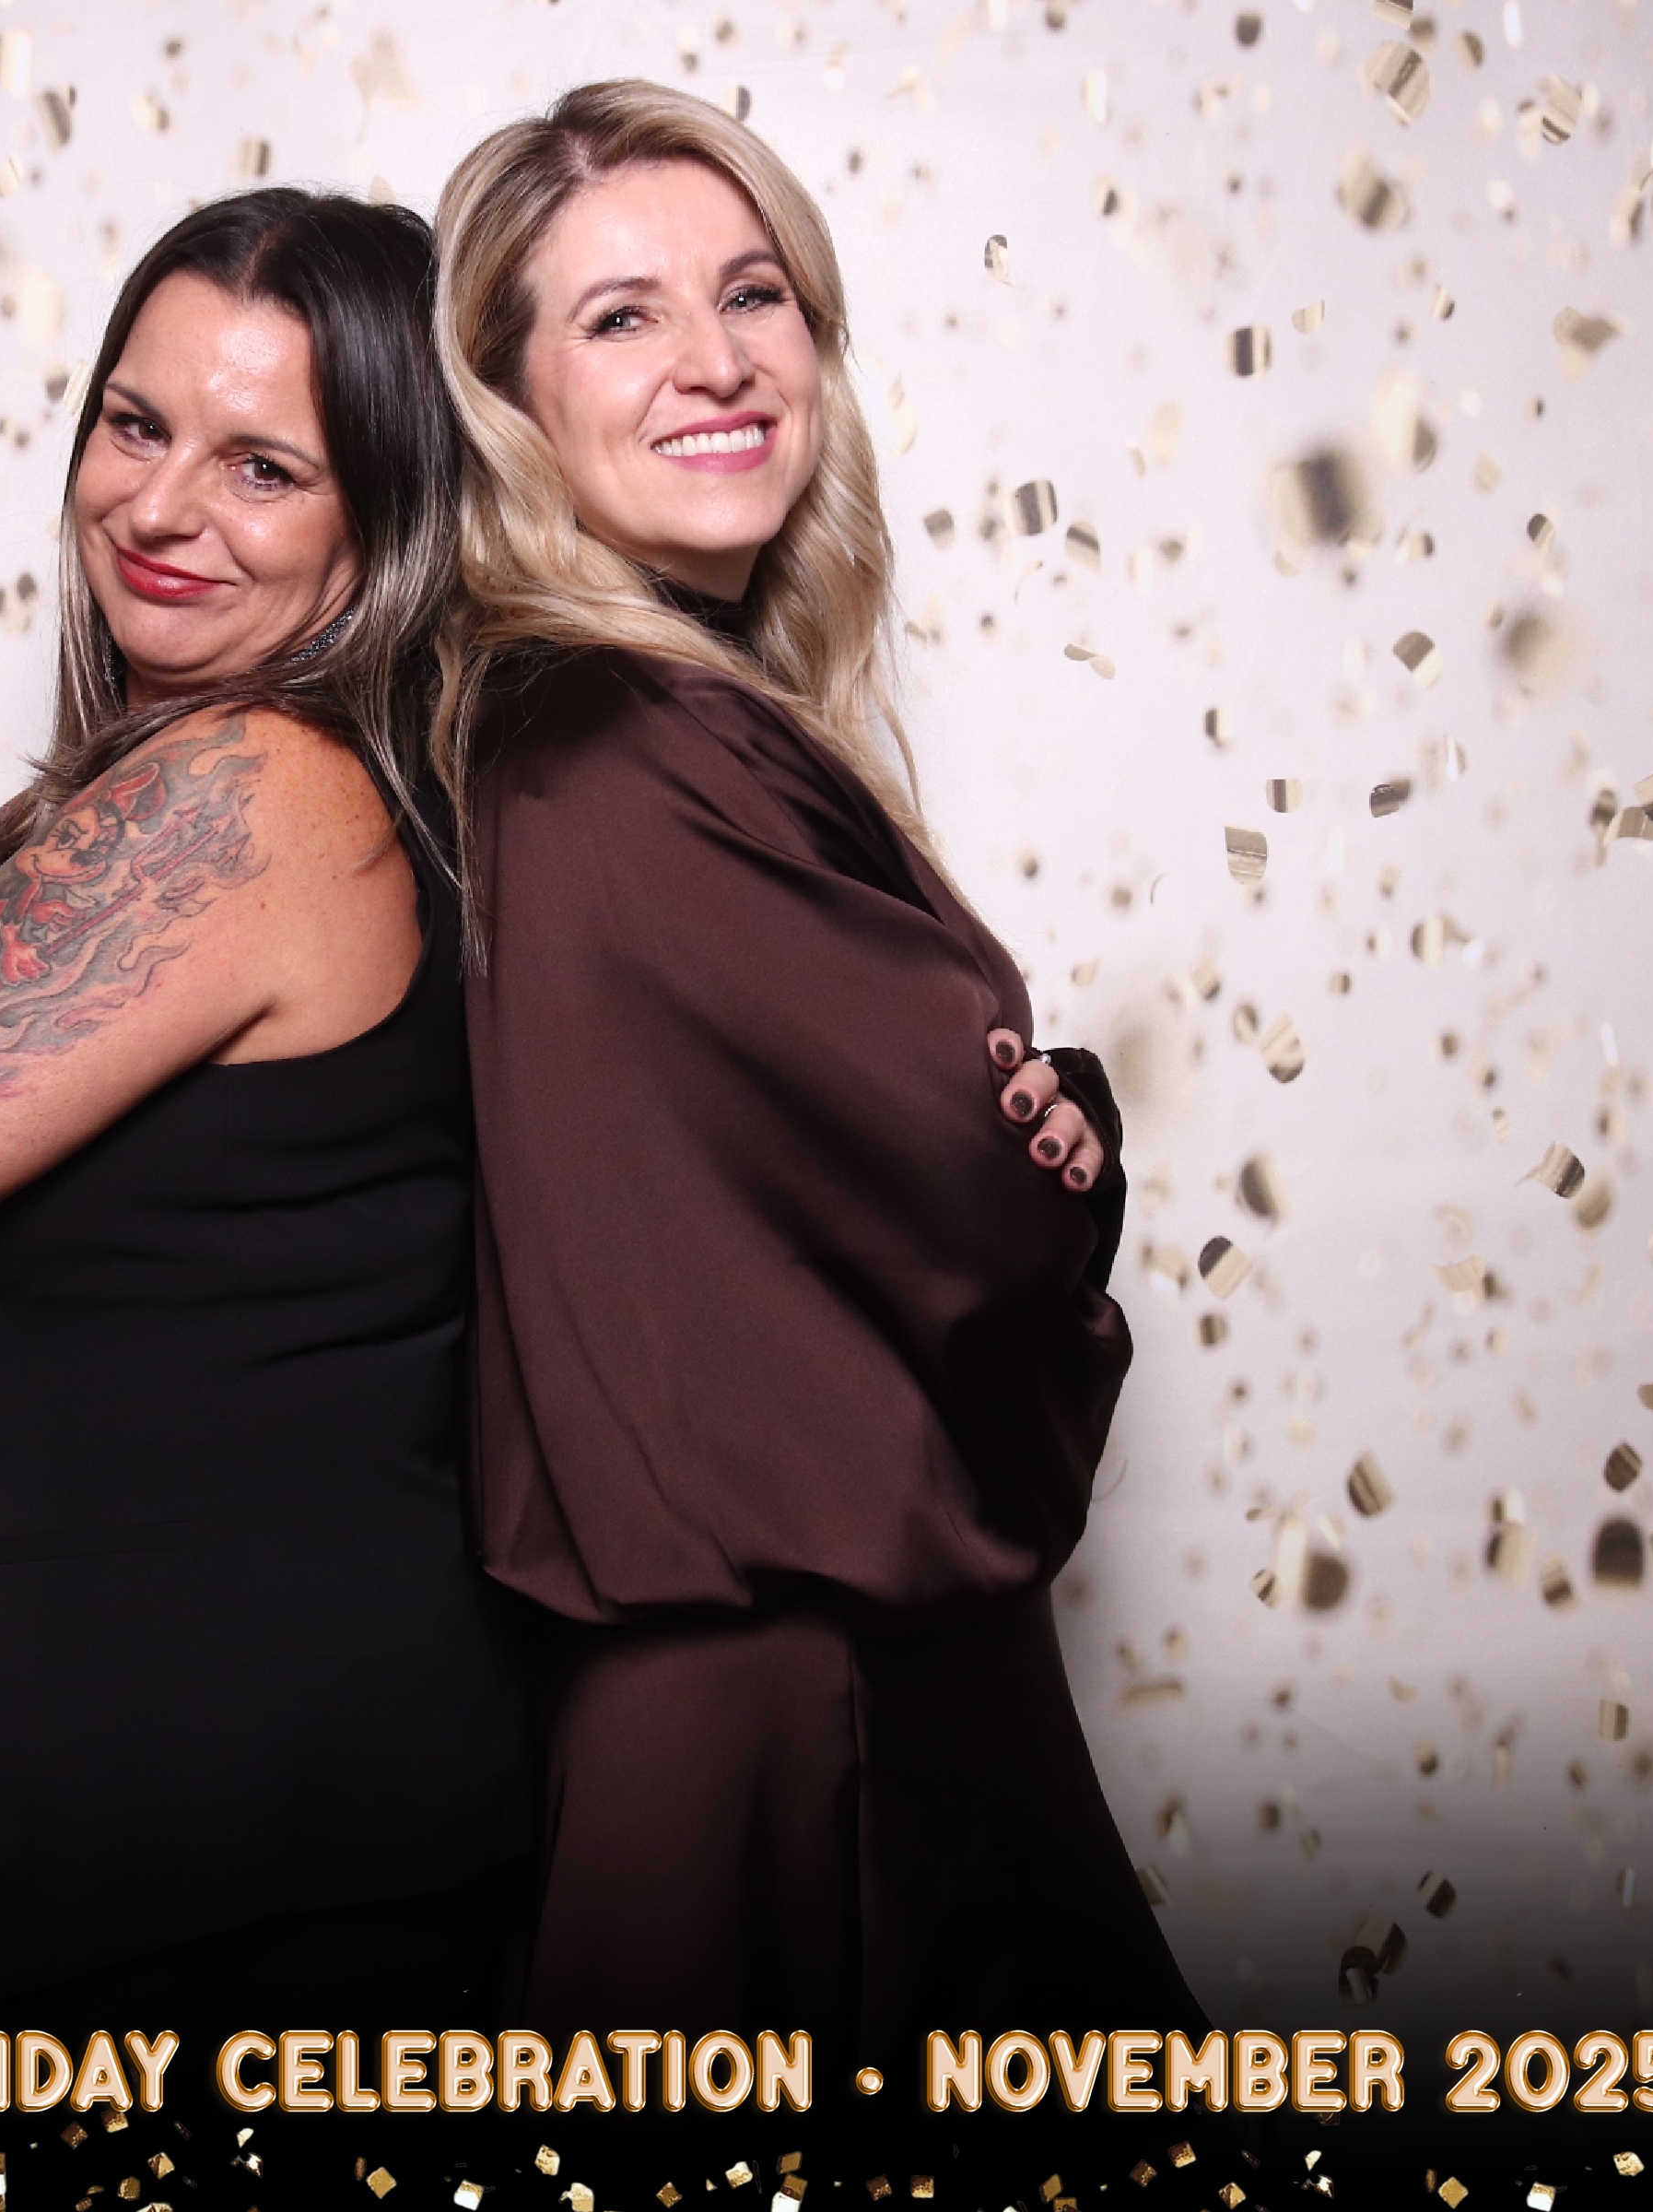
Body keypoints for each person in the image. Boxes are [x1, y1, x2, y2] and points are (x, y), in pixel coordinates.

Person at [0, 189, 534, 2032]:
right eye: (136, 426)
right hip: (146, 1822)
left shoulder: (251, 792)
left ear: (383, 515)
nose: (159, 506)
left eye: (263, 468)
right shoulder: (141, 783)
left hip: (254, 1848)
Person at [428, 81, 1204, 2066]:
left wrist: (1029, 1116)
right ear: (508, 401)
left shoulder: (621, 722)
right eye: (621, 316)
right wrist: (1048, 1158)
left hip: (801, 1704)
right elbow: (967, 1190)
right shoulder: (621, 744)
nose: (717, 360)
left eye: (753, 293)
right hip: (803, 1724)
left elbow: (913, 1139)